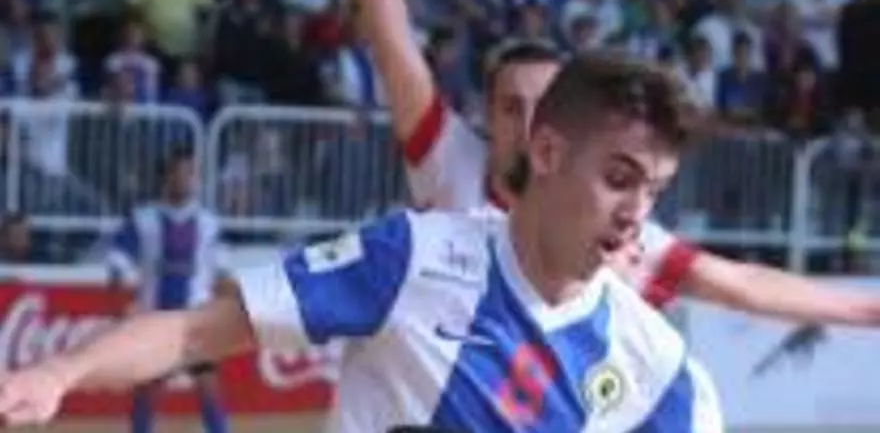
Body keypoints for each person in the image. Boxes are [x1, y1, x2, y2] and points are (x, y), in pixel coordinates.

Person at [0, 53, 722, 431]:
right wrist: (58, 373)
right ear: (549, 151)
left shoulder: (658, 366)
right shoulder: (414, 258)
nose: (637, 212)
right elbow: (196, 332)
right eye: (619, 178)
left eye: (654, 190)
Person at [352, 0, 880, 323]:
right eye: (512, 107)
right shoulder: (449, 159)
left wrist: (868, 309)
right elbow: (392, 38)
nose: (529, 123)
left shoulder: (614, 232)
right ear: (487, 116)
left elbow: (742, 282)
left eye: (543, 107)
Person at [107, 148, 229, 433]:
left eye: (189, 173)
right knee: (148, 389)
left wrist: (225, 298)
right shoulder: (144, 218)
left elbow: (222, 266)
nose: (183, 179)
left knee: (208, 386)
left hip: (196, 320)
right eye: (177, 172)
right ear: (165, 176)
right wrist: (118, 275)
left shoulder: (208, 223)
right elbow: (118, 253)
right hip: (156, 319)